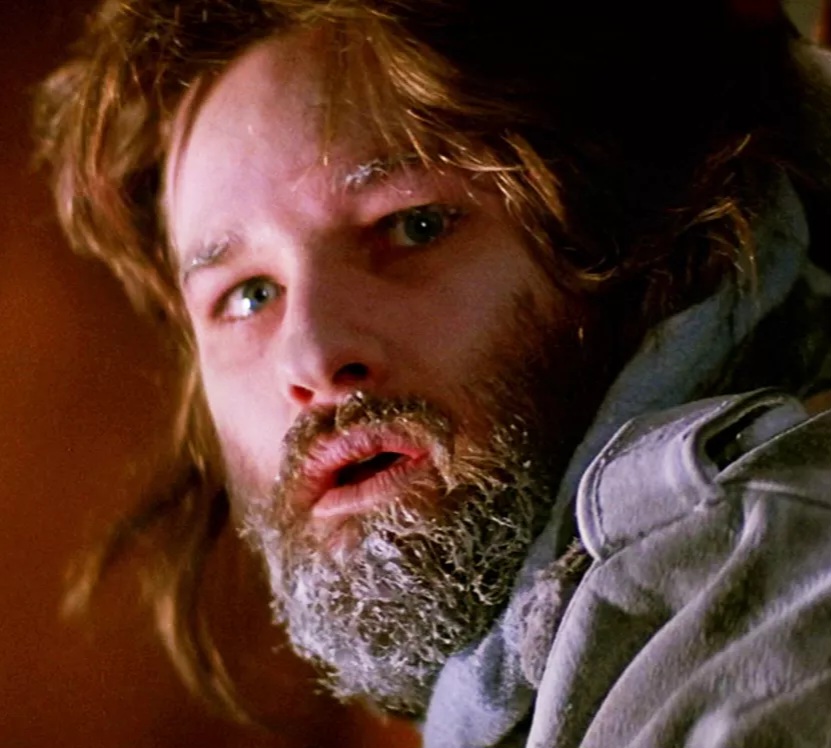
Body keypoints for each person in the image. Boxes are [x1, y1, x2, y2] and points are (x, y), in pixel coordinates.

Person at [34, 0, 831, 745]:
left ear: (628, 236)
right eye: (248, 295)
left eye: (413, 226)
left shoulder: (777, 608)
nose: (311, 357)